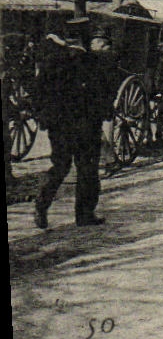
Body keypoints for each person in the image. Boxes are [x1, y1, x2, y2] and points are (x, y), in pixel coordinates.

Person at [32, 16, 115, 229]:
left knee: (60, 165)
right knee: (87, 168)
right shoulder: (92, 62)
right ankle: (84, 215)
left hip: (59, 126)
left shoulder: (52, 61)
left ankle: (42, 202)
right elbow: (103, 92)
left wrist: (45, 118)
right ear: (84, 39)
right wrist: (106, 113)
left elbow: (39, 91)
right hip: (86, 125)